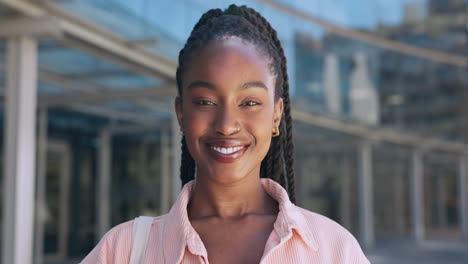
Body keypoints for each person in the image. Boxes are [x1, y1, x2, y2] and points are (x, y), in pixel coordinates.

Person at [81, 4, 370, 264]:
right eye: (206, 101)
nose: (227, 124)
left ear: (276, 116)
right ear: (181, 113)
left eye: (250, 103)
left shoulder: (335, 250)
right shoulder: (123, 251)